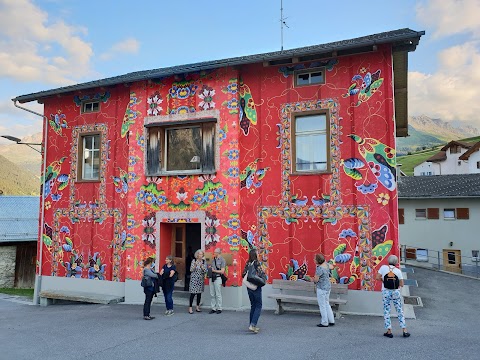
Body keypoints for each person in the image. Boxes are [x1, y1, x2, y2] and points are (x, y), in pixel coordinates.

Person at [376, 255, 410, 338]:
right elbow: (401, 284)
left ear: (388, 261)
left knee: (387, 311)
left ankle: (389, 331)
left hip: (386, 292)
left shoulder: (383, 267)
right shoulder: (398, 271)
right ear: (396, 262)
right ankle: (404, 330)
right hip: (396, 292)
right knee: (399, 310)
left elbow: (377, 277)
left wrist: (384, 281)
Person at [242, 249, 265, 333]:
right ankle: (253, 325)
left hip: (249, 287)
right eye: (257, 253)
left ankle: (251, 324)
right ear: (255, 255)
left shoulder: (248, 263)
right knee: (258, 305)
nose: (259, 254)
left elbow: (243, 274)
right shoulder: (257, 263)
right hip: (256, 287)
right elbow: (261, 274)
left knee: (253, 305)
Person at [311, 253, 335, 327]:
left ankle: (324, 322)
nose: (313, 260)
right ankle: (331, 320)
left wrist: (312, 279)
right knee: (327, 303)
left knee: (322, 305)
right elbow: (332, 267)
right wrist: (325, 262)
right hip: (328, 287)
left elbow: (316, 280)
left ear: (318, 261)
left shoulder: (319, 269)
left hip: (321, 288)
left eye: (315, 259)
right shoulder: (327, 265)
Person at [188, 249, 207, 314]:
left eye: (202, 254)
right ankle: (190, 307)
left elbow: (205, 271)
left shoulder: (204, 262)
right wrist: (195, 265)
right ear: (197, 255)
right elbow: (191, 270)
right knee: (192, 294)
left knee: (199, 294)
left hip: (200, 279)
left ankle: (197, 307)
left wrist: (202, 267)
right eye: (199, 254)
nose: (200, 255)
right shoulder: (194, 261)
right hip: (194, 279)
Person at [209, 248, 225, 314]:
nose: (214, 253)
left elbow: (222, 271)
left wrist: (214, 270)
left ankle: (219, 308)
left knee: (218, 294)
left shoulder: (222, 260)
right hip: (212, 277)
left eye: (215, 252)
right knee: (212, 294)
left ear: (218, 253)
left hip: (218, 278)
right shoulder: (213, 260)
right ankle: (213, 308)